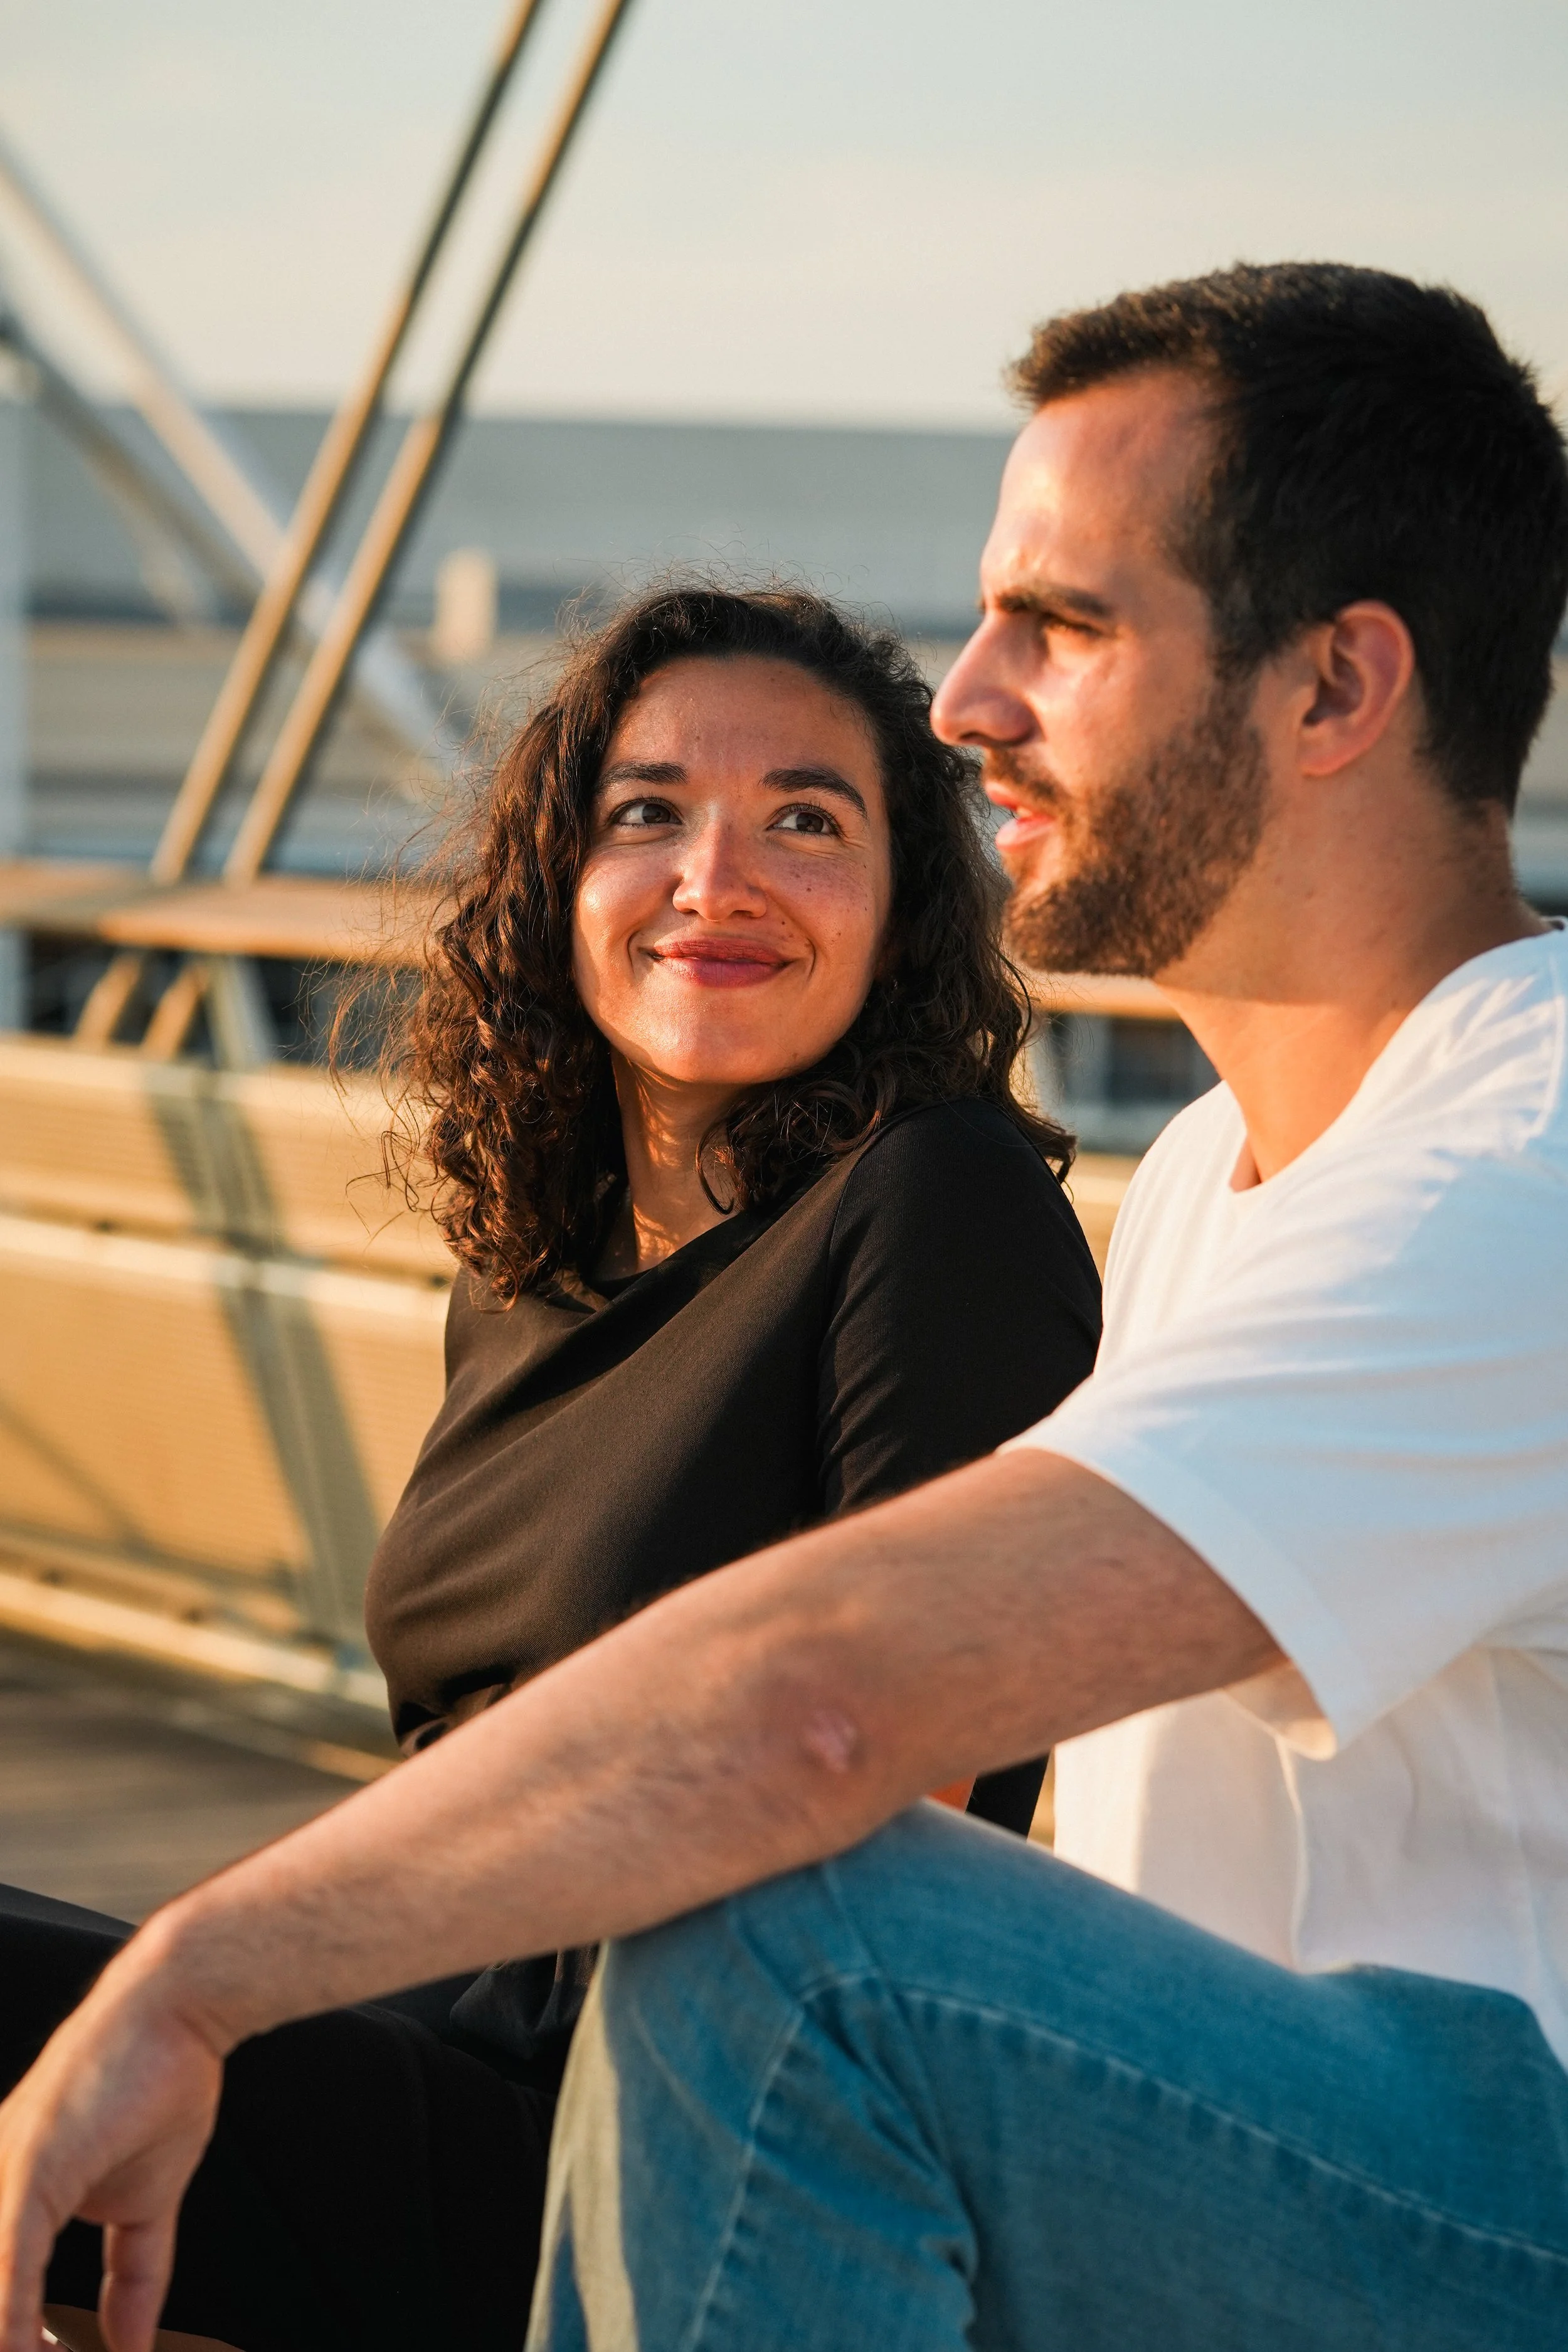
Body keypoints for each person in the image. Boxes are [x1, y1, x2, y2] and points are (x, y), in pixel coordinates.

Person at [2, 259, 1567, 2352]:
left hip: (1493, 2221)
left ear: (1330, 691)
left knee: (790, 1922)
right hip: (1202, 2176)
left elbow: (828, 1705)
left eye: (1065, 625)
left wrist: (203, 1972)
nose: (964, 700)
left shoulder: (1523, 1160)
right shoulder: (1206, 1172)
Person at [0, 586, 1101, 2352]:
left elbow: (913, 1800)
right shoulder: (530, 1264)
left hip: (650, 2134)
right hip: (406, 2038)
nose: (710, 879)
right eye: (646, 811)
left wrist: (214, 1981)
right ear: (554, 879)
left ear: (902, 908)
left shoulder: (937, 1206)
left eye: (804, 821)